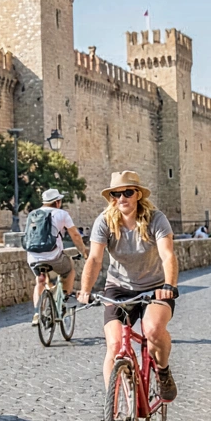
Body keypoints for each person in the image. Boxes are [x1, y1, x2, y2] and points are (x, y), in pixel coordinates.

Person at [77, 171, 180, 400]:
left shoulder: (156, 219)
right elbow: (94, 258)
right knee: (114, 346)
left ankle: (162, 371)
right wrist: (85, 290)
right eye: (116, 194)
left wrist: (169, 285)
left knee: (153, 330)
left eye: (127, 192)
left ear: (138, 195)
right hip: (118, 288)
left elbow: (167, 254)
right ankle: (114, 407)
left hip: (154, 287)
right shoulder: (104, 221)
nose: (122, 198)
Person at [24, 188, 89, 326]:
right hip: (54, 256)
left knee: (40, 280)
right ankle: (64, 299)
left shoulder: (33, 214)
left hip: (33, 257)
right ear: (57, 202)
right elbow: (76, 236)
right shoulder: (61, 214)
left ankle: (37, 312)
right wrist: (83, 251)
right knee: (69, 269)